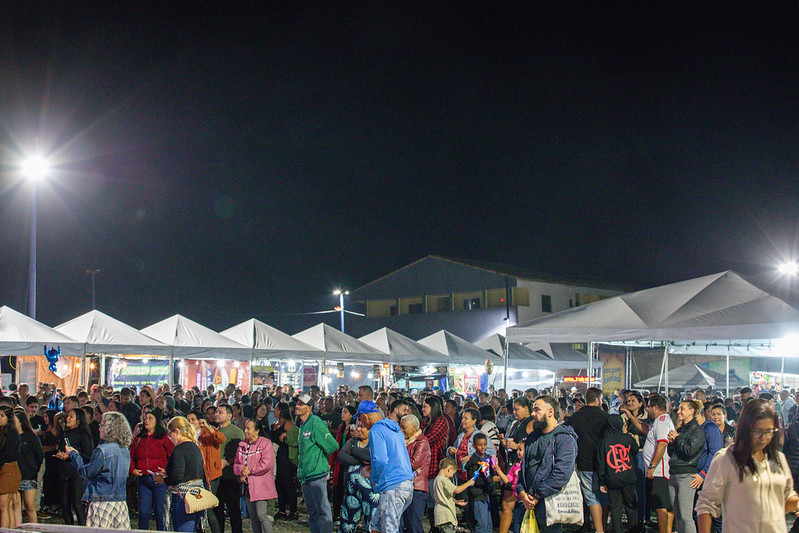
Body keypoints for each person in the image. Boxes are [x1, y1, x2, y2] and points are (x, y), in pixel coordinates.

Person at [696, 398, 799, 533]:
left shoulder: (778, 459)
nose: (764, 438)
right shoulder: (726, 459)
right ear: (746, 428)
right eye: (758, 431)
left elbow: (786, 498)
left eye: (769, 432)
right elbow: (706, 504)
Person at [516, 396, 578, 533]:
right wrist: (521, 491)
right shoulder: (533, 437)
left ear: (550, 412)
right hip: (528, 502)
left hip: (549, 504)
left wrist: (537, 496)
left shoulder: (564, 439)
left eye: (537, 410)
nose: (533, 414)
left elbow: (561, 474)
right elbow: (524, 467)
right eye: (533, 410)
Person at [65, 412, 132, 528]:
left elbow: (86, 473)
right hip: (120, 502)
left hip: (102, 502)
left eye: (102, 426)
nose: (99, 429)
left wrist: (73, 455)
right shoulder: (125, 450)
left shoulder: (102, 451)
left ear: (110, 429)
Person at [565, 386, 609, 533]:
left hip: (585, 461)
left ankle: (597, 528)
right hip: (604, 462)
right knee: (601, 497)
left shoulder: (577, 417)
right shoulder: (604, 417)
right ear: (597, 400)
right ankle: (601, 528)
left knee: (591, 497)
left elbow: (566, 433)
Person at [367, 399, 415, 533]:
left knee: (389, 528)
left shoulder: (378, 430)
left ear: (364, 417)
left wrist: (375, 480)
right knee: (376, 525)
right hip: (406, 484)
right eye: (404, 409)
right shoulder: (397, 431)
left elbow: (380, 460)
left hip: (393, 485)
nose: (407, 412)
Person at [296, 393, 339, 533]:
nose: (297, 406)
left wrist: (322, 461)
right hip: (306, 475)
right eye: (297, 403)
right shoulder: (303, 424)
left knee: (322, 511)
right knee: (313, 512)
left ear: (309, 408)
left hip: (316, 474)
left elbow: (333, 445)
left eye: (301, 404)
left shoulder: (315, 422)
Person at [130, 407, 174, 530]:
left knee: (160, 512)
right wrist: (132, 469)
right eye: (145, 418)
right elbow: (131, 455)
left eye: (150, 418)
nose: (147, 421)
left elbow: (173, 455)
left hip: (159, 480)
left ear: (156, 421)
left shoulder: (163, 438)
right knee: (143, 513)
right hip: (143, 480)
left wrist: (167, 470)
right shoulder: (138, 438)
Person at [338, 405, 377, 533]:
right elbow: (341, 456)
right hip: (351, 492)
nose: (359, 430)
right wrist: (360, 459)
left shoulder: (374, 442)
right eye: (358, 426)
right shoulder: (353, 441)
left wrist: (353, 451)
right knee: (347, 524)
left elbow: (369, 456)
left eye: (362, 427)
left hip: (370, 493)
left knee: (371, 524)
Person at [596, 414, 639, 533]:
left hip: (612, 479)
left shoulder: (603, 442)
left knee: (616, 508)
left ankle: (617, 530)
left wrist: (602, 481)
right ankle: (634, 528)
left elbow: (601, 463)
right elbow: (635, 450)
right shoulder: (627, 438)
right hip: (629, 478)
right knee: (631, 506)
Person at [667, 400, 705, 533]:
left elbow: (689, 451)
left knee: (685, 516)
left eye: (682, 409)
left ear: (691, 411)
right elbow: (673, 453)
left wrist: (677, 439)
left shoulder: (697, 431)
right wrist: (671, 443)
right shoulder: (681, 429)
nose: (679, 412)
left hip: (686, 475)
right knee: (678, 516)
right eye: (679, 409)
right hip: (674, 473)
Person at [163, 416, 206, 532]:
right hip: (197, 497)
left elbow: (177, 477)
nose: (169, 437)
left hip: (183, 499)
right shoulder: (195, 448)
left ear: (177, 431)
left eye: (169, 434)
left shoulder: (179, 450)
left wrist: (163, 479)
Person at [234, 419, 276, 533]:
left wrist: (249, 471)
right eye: (245, 428)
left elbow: (266, 464)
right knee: (253, 517)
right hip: (248, 486)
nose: (246, 431)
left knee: (261, 514)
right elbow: (236, 464)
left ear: (257, 431)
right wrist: (241, 471)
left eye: (249, 428)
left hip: (261, 485)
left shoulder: (265, 443)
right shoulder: (242, 445)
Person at [500, 397, 534, 533]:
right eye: (513, 409)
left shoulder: (530, 423)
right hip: (512, 465)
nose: (514, 412)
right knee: (506, 504)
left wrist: (517, 446)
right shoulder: (516, 423)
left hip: (522, 468)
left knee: (512, 504)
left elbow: (531, 444)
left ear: (526, 408)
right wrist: (505, 443)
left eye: (517, 409)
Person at [55, 407, 93, 525]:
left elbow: (88, 455)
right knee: (65, 504)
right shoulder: (64, 432)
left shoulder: (83, 434)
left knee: (76, 503)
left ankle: (82, 528)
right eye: (68, 416)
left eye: (71, 416)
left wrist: (71, 456)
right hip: (64, 471)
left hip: (77, 472)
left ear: (78, 420)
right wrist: (60, 454)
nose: (68, 418)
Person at [188, 410, 224, 533]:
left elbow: (221, 439)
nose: (190, 422)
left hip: (210, 474)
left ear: (199, 420)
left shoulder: (208, 431)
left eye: (193, 419)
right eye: (188, 420)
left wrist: (208, 427)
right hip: (194, 475)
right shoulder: (188, 435)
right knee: (196, 507)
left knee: (207, 508)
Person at [644, 394, 675, 533]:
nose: (648, 410)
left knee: (661, 504)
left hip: (660, 470)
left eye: (649, 407)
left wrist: (652, 465)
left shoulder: (662, 421)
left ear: (655, 407)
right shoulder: (659, 421)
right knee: (665, 505)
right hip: (660, 470)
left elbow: (662, 444)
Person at [214, 403, 245, 533]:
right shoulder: (214, 431)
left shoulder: (236, 432)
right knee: (217, 508)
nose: (216, 414)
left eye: (220, 412)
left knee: (234, 509)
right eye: (216, 412)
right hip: (216, 476)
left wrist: (228, 462)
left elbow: (241, 454)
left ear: (229, 416)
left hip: (231, 476)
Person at [400, 414, 431, 533]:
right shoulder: (405, 441)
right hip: (404, 486)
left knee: (413, 525)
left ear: (414, 428)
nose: (401, 430)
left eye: (404, 427)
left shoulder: (421, 442)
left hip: (417, 489)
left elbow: (413, 464)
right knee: (403, 523)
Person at [449, 408, 497, 481]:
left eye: (466, 418)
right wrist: (450, 450)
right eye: (462, 418)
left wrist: (473, 458)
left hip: (476, 478)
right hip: (460, 478)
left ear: (474, 420)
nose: (462, 421)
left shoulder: (480, 436)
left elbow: (492, 454)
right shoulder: (460, 437)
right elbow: (452, 453)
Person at [14, 410, 44, 524]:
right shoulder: (11, 437)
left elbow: (39, 455)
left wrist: (33, 469)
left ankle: (33, 529)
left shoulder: (30, 437)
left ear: (21, 422)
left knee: (29, 507)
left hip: (29, 475)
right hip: (15, 475)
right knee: (16, 506)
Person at [271, 402, 299, 520]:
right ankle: (281, 509)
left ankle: (293, 511)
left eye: (276, 409)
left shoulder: (288, 424)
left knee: (288, 484)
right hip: (276, 456)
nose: (274, 411)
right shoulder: (274, 424)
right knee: (278, 483)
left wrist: (286, 436)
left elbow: (296, 438)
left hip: (286, 457)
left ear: (282, 411)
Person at [433, 457, 476, 533]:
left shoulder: (437, 479)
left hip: (440, 515)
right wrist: (469, 483)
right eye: (452, 473)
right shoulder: (444, 480)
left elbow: (442, 496)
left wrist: (455, 501)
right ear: (449, 469)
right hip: (446, 515)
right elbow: (456, 490)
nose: (452, 476)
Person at [463, 432, 495, 533]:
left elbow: (491, 472)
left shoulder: (487, 458)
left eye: (485, 444)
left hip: (486, 494)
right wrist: (491, 481)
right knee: (481, 524)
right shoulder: (474, 462)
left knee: (488, 524)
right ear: (474, 446)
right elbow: (475, 480)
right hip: (478, 495)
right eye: (480, 445)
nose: (483, 447)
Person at [329, 404, 356, 522]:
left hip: (349, 463)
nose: (342, 414)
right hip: (339, 463)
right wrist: (331, 462)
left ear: (351, 415)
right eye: (342, 412)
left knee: (347, 489)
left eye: (345, 412)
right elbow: (336, 446)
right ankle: (336, 514)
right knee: (337, 488)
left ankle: (346, 515)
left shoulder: (354, 429)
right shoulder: (340, 427)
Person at [0, 406, 21, 528]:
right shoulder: (2, 432)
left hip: (8, 470)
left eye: (2, 415)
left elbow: (7, 454)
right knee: (6, 506)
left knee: (3, 505)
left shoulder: (12, 434)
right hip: (5, 469)